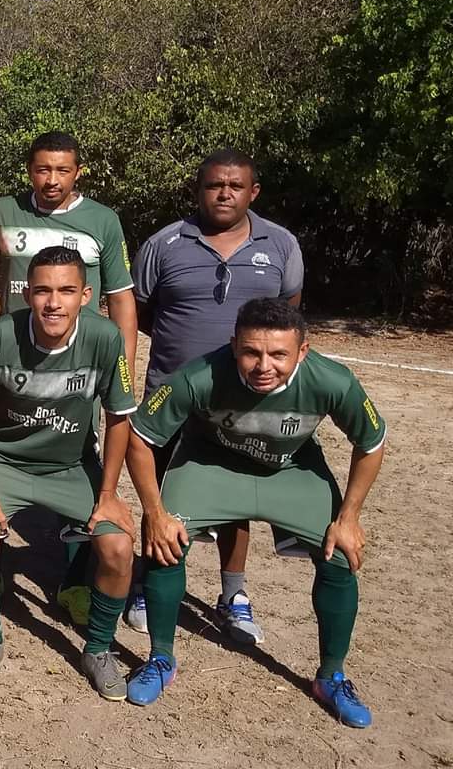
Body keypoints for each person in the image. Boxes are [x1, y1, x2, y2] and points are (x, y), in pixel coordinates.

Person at [123, 299, 385, 729]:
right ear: (233, 346)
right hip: (211, 464)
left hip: (291, 468)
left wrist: (350, 516)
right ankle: (160, 659)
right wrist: (154, 511)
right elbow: (139, 438)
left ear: (302, 351)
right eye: (251, 352)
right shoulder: (198, 375)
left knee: (340, 554)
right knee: (163, 543)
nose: (264, 365)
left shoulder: (333, 380)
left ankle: (331, 677)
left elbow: (372, 443)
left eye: (279, 354)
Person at [129, 149, 304, 641]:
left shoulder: (282, 244)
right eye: (213, 186)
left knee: (236, 494)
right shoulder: (164, 244)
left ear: (253, 192)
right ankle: (149, 581)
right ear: (197, 190)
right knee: (160, 491)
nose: (224, 194)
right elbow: (141, 311)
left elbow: (286, 316)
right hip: (170, 393)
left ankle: (234, 593)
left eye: (235, 186)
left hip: (244, 401)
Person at [0, 246, 136, 697]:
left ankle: (97, 649)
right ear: (26, 293)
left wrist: (110, 491)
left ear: (87, 295)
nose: (53, 302)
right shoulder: (0, 336)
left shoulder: (106, 338)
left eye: (66, 291)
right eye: (42, 291)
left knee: (117, 547)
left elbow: (119, 417)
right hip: (6, 462)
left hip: (71, 465)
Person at [0, 131, 137, 622]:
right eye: (41, 169)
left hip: (80, 357)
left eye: (62, 170)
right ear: (29, 170)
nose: (51, 180)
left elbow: (120, 297)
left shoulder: (102, 220)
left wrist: (122, 363)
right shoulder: (3, 211)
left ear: (78, 172)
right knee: (4, 445)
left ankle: (75, 581)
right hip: (16, 360)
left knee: (78, 452)